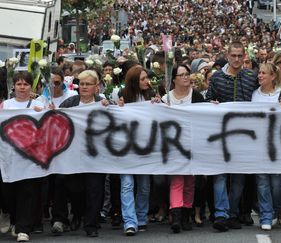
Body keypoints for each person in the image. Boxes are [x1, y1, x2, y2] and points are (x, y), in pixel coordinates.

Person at [206, 41, 258, 232]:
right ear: (227, 56)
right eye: (233, 55)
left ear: (244, 56)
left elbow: (262, 97)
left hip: (244, 136)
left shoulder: (251, 77)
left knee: (239, 179)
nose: (236, 59)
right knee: (220, 176)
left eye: (240, 56)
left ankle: (232, 213)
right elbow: (208, 101)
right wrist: (213, 103)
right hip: (221, 135)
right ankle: (221, 214)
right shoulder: (217, 78)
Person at [51, 70, 109, 238]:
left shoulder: (103, 102)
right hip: (73, 155)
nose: (84, 87)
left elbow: (116, 119)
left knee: (95, 189)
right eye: (81, 84)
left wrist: (112, 106)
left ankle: (91, 224)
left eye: (88, 84)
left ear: (96, 87)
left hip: (96, 155)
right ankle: (78, 214)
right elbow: (58, 121)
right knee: (75, 188)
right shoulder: (70, 102)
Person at [0, 72, 44, 242]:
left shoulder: (38, 104)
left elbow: (49, 122)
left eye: (25, 84)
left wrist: (46, 112)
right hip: (9, 158)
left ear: (31, 86)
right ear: (14, 86)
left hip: (30, 159)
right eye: (19, 84)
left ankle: (23, 229)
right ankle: (12, 218)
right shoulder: (5, 105)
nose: (22, 87)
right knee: (8, 192)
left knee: (28, 192)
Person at [161, 64, 204, 233]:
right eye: (182, 75)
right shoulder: (166, 99)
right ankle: (177, 217)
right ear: (174, 80)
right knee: (177, 180)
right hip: (174, 146)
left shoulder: (198, 97)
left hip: (193, 145)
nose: (186, 77)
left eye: (188, 74)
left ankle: (187, 214)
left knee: (190, 182)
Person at [116, 66, 154, 236]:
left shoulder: (151, 95)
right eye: (143, 79)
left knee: (144, 185)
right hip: (126, 148)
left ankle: (141, 217)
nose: (147, 81)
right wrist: (117, 107)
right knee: (127, 184)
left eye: (147, 78)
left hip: (145, 148)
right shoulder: (121, 96)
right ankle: (130, 222)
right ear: (134, 81)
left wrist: (159, 105)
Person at [252, 63, 281, 230]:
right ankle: (266, 214)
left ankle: (274, 209)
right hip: (259, 144)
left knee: (277, 183)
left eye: (263, 73)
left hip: (278, 145)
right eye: (259, 72)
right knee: (262, 181)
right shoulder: (254, 95)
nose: (259, 75)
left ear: (273, 76)